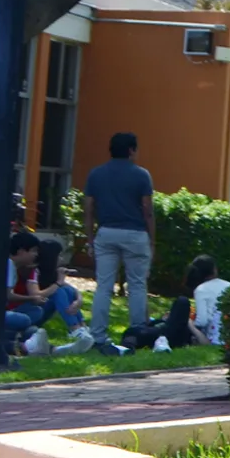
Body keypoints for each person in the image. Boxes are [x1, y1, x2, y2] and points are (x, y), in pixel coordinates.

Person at [84, 131, 154, 337]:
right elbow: (148, 211)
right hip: (135, 233)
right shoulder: (142, 175)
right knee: (137, 285)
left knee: (103, 286)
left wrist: (90, 239)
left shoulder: (95, 174)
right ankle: (138, 332)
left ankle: (97, 334)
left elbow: (88, 209)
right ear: (131, 150)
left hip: (105, 233)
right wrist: (152, 240)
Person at [190, 256, 230, 346]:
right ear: (214, 269)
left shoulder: (201, 290)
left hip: (213, 335)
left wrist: (190, 322)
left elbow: (202, 321)